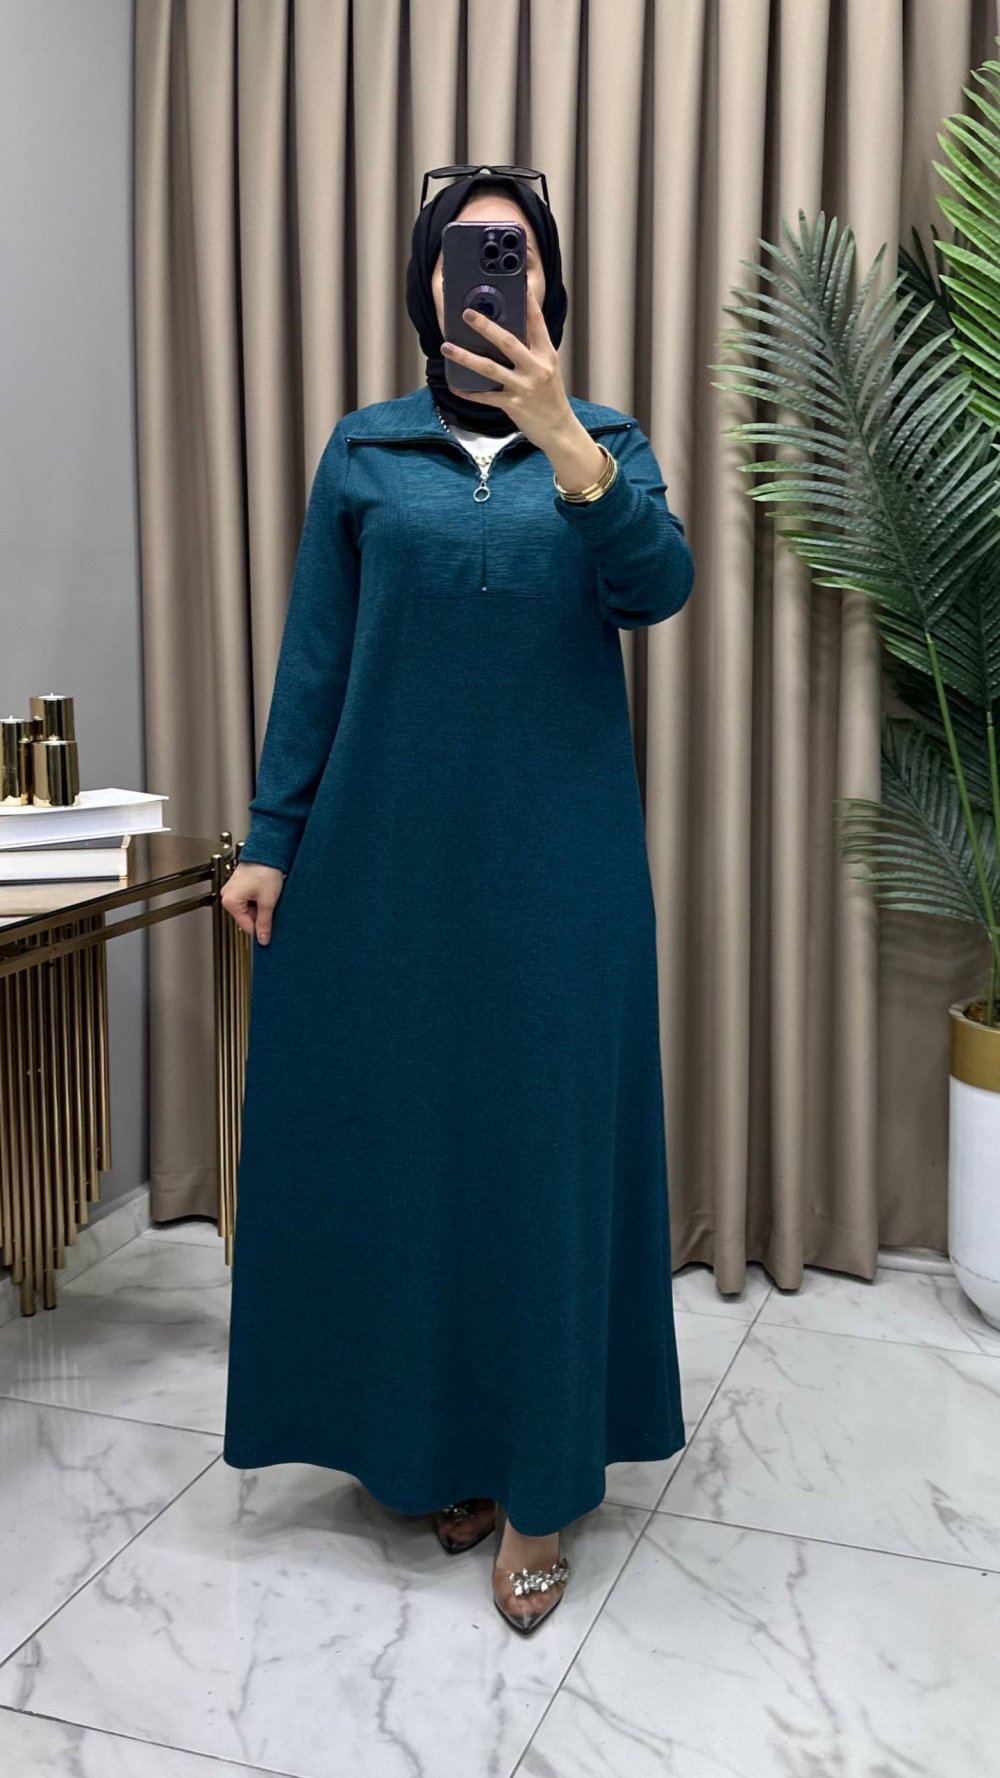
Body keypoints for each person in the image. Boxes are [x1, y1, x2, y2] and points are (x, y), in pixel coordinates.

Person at [221, 167, 695, 1635]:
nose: (493, 273)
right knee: (416, 1155)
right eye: (467, 252)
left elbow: (657, 587)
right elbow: (317, 655)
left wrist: (565, 439)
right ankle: (439, 1444)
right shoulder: (365, 451)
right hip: (385, 869)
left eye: (517, 250)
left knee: (542, 1163)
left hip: (562, 877)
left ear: (548, 282)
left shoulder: (606, 442)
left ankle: (539, 1487)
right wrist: (271, 837)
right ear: (429, 285)